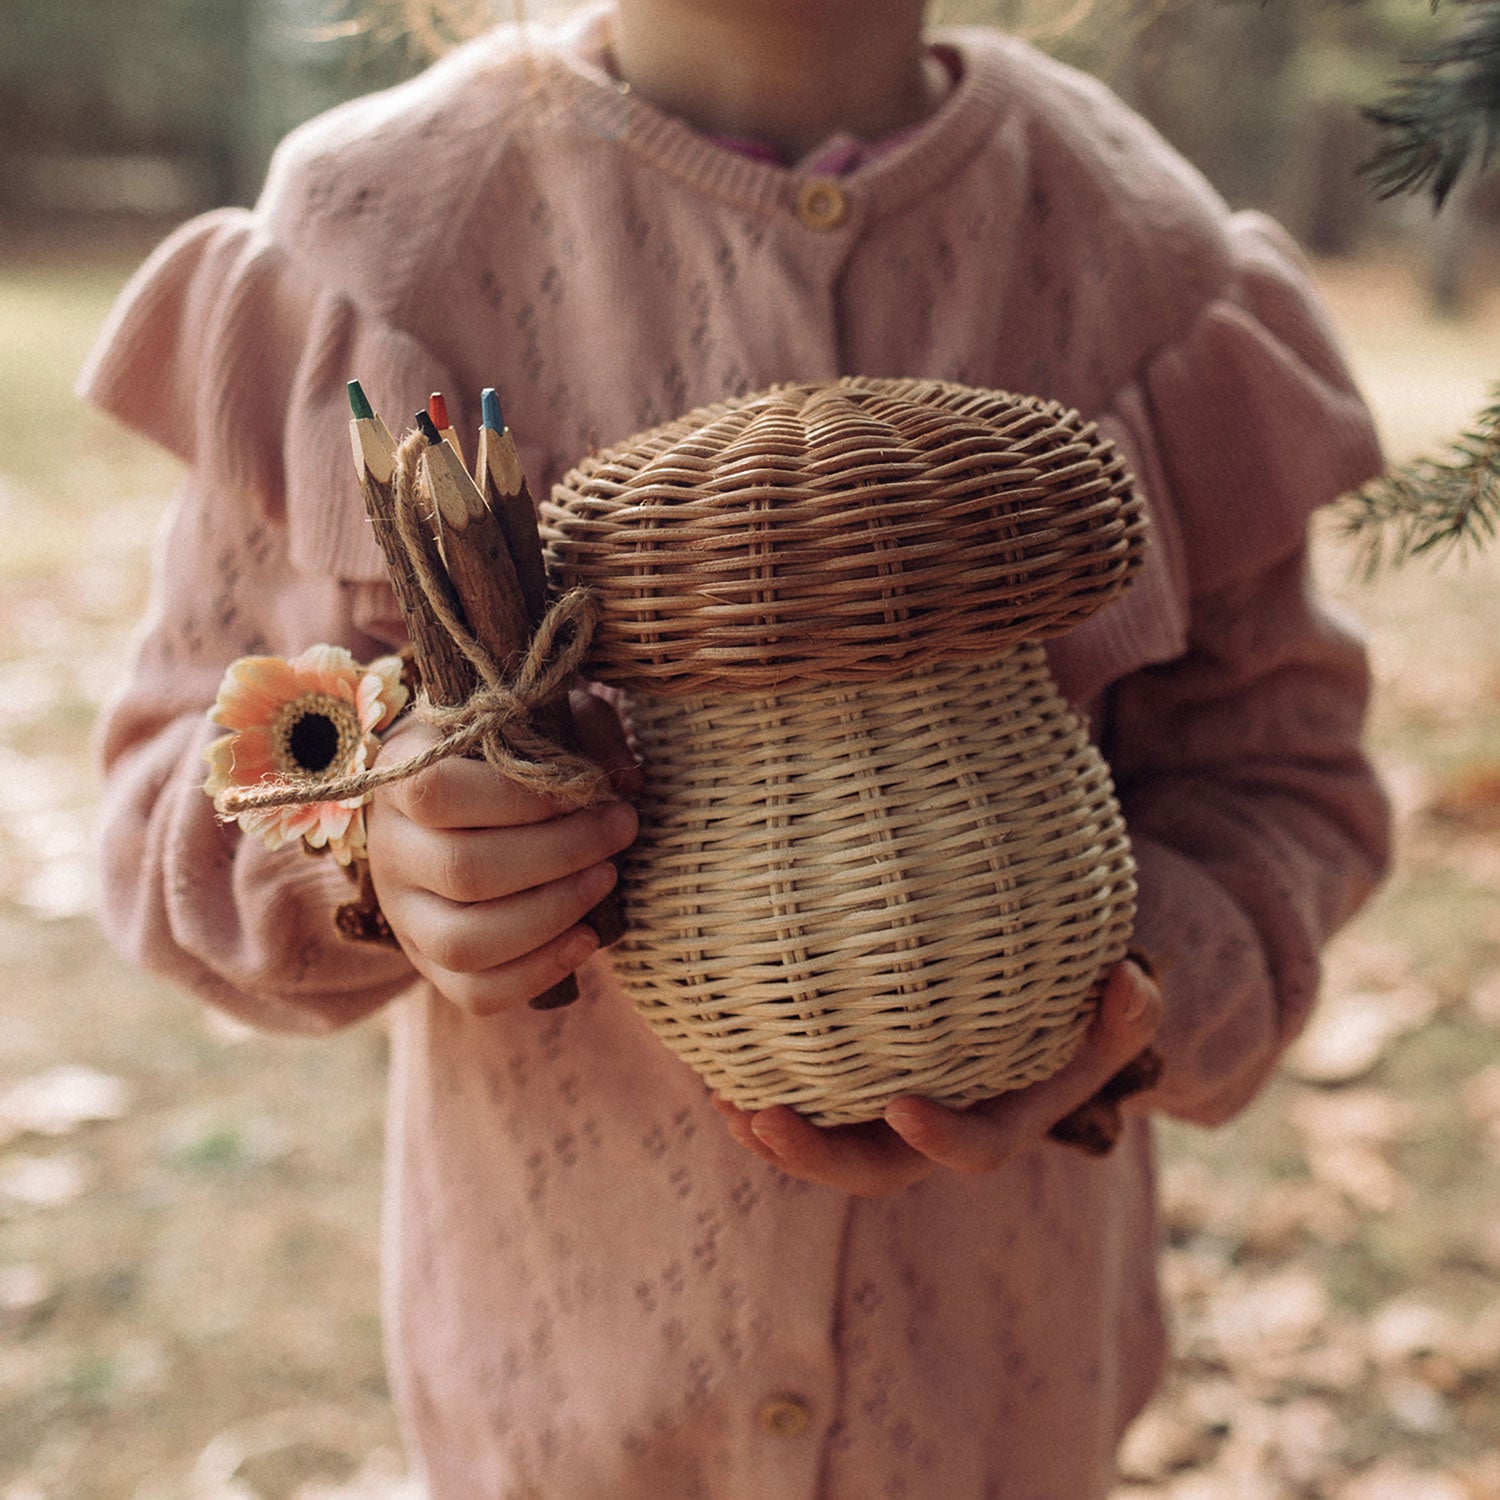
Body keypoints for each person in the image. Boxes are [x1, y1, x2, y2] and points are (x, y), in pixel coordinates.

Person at [80, 0, 1390, 1494]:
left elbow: (1284, 788)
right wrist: (374, 851)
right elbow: (165, 799)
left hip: (998, 1403)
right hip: (564, 1410)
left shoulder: (1139, 249)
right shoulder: (374, 242)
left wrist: (1109, 1001)